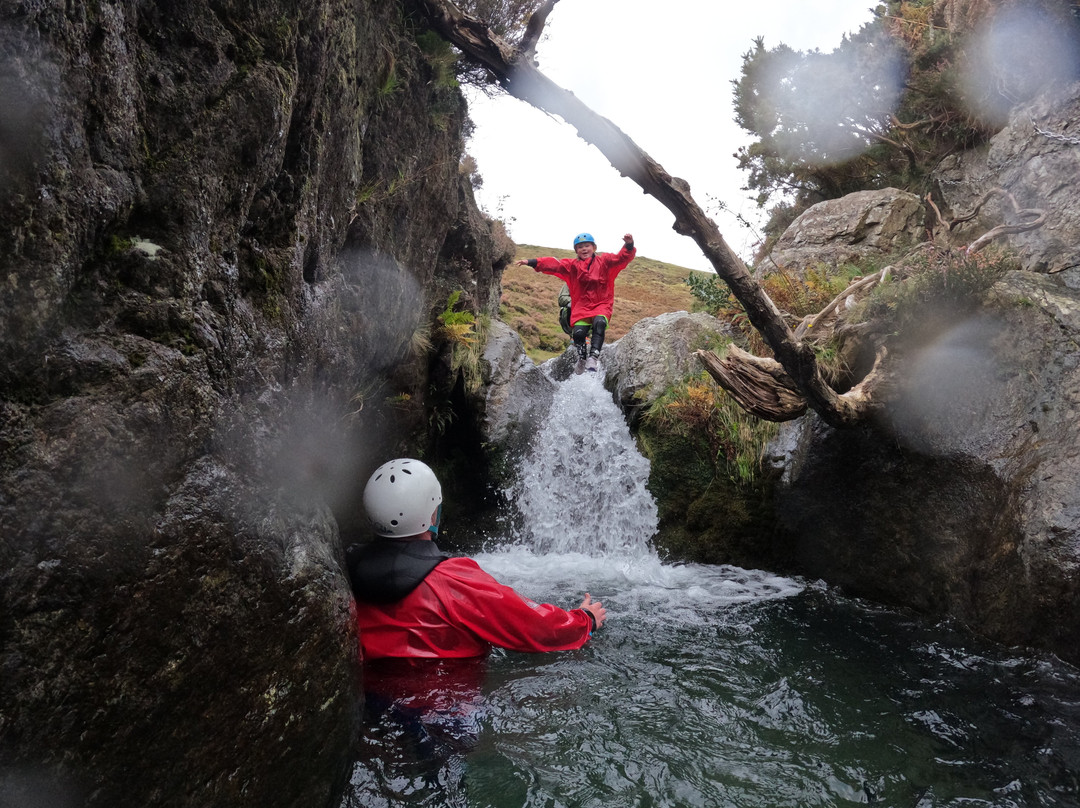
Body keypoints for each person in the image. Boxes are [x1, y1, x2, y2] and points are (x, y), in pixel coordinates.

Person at [346, 457, 607, 660]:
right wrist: (585, 620)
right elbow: (534, 626)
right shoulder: (454, 581)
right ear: (432, 515)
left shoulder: (347, 568)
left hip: (374, 703)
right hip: (447, 713)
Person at [516, 232, 636, 372]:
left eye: (587, 246)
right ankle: (582, 358)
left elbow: (621, 258)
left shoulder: (605, 261)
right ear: (576, 251)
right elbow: (554, 264)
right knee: (578, 334)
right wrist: (531, 262)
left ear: (594, 247)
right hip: (582, 307)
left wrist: (629, 245)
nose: (584, 249)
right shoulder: (571, 266)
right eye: (580, 247)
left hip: (602, 304)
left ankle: (593, 358)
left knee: (600, 323)